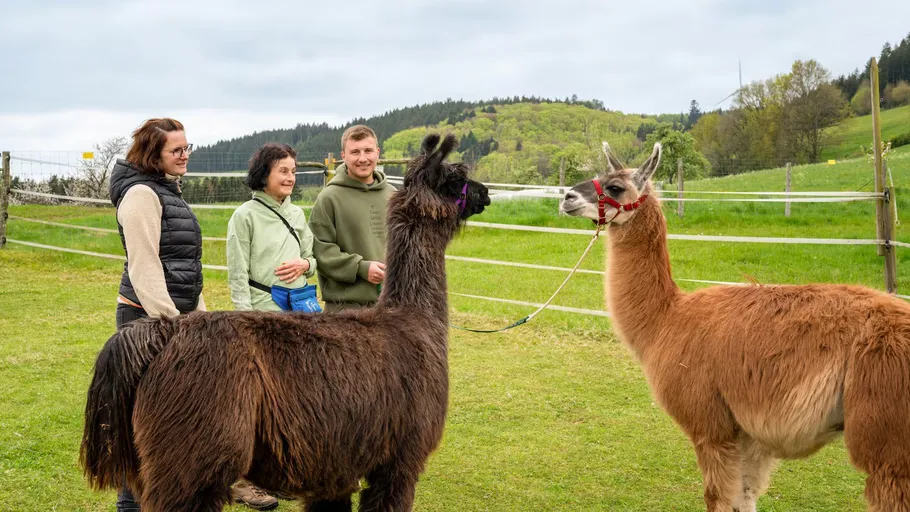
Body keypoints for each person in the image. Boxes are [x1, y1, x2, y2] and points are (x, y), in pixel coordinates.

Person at [108, 117, 210, 511]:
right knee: (142, 431)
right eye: (176, 150)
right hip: (146, 323)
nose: (185, 156)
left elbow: (185, 267)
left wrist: (201, 319)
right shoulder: (140, 196)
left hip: (175, 322)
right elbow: (145, 267)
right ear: (154, 155)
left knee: (170, 425)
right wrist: (172, 325)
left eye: (187, 148)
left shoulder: (168, 191)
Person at [308, 125, 395, 312]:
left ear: (378, 153)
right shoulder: (329, 198)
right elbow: (321, 251)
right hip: (345, 312)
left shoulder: (394, 196)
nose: (362, 158)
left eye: (368, 151)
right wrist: (361, 268)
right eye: (355, 152)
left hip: (390, 309)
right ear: (344, 155)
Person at [226, 143, 317, 314]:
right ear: (264, 174)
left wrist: (305, 264)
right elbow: (238, 273)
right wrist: (246, 318)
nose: (290, 178)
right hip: (265, 315)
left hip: (301, 312)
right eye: (283, 171)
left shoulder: (297, 214)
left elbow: (310, 259)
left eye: (293, 172)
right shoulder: (245, 216)